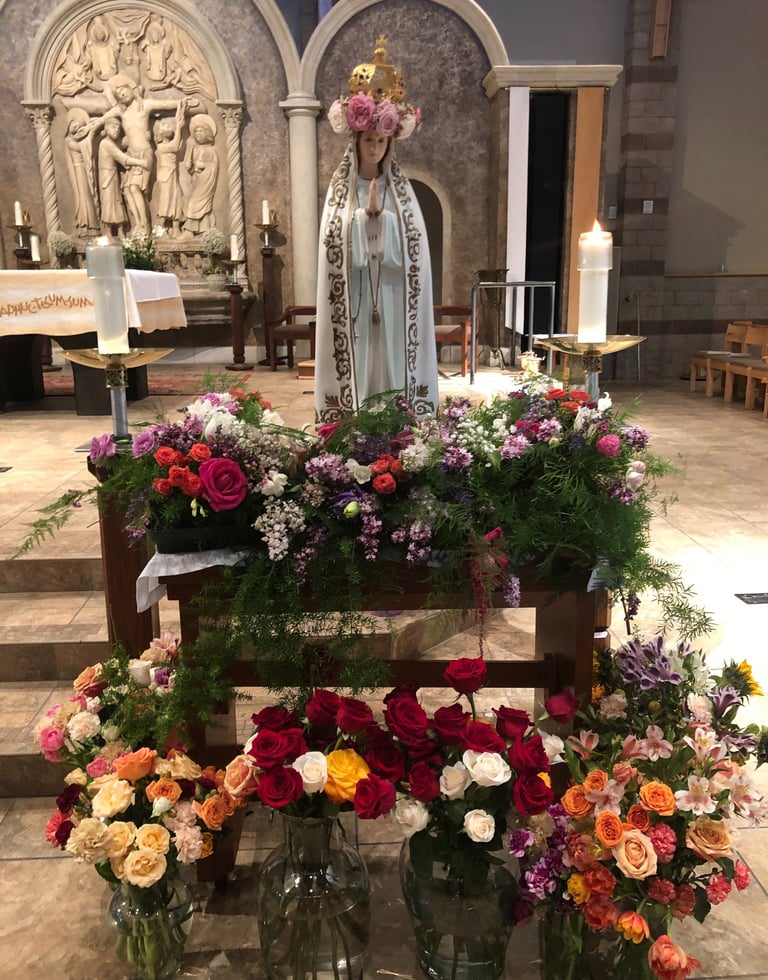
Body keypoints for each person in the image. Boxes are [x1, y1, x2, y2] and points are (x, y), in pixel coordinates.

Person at [314, 39, 438, 424]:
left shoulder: (402, 195)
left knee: (390, 357)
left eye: (381, 141)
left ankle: (398, 418)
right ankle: (353, 417)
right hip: (354, 294)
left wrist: (381, 220)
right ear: (357, 141)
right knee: (360, 355)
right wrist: (360, 218)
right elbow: (332, 245)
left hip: (392, 291)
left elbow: (413, 253)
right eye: (369, 140)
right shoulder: (340, 192)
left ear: (389, 144)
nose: (375, 148)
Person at [103, 73, 179, 235]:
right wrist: (90, 127)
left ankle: (145, 225)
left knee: (135, 187)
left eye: (124, 91)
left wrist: (182, 103)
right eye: (119, 95)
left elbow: (165, 104)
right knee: (128, 189)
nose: (123, 95)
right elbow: (104, 117)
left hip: (144, 153)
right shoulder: (121, 112)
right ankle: (137, 223)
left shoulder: (145, 106)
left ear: (132, 90)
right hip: (131, 154)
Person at [97, 117, 150, 236]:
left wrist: (137, 136)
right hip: (107, 177)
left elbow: (123, 145)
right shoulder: (105, 144)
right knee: (109, 201)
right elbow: (122, 158)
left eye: (118, 128)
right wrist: (140, 162)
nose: (116, 130)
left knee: (117, 200)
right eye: (113, 127)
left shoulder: (112, 143)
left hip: (113, 174)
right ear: (106, 129)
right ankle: (109, 230)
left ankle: (121, 229)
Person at [153, 101, 185, 237]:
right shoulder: (161, 147)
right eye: (165, 125)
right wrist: (179, 127)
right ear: (159, 132)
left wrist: (179, 119)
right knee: (166, 200)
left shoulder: (169, 144)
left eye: (169, 125)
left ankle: (175, 227)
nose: (168, 127)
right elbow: (175, 146)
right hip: (166, 176)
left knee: (176, 198)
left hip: (172, 175)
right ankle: (160, 229)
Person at [182, 114, 219, 234]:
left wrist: (200, 166)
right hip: (196, 181)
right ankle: (204, 227)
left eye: (201, 131)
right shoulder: (195, 149)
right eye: (196, 132)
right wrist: (190, 166)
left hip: (206, 181)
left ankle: (189, 229)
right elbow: (191, 167)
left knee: (195, 203)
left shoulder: (210, 151)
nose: (198, 134)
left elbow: (210, 167)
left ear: (208, 133)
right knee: (191, 201)